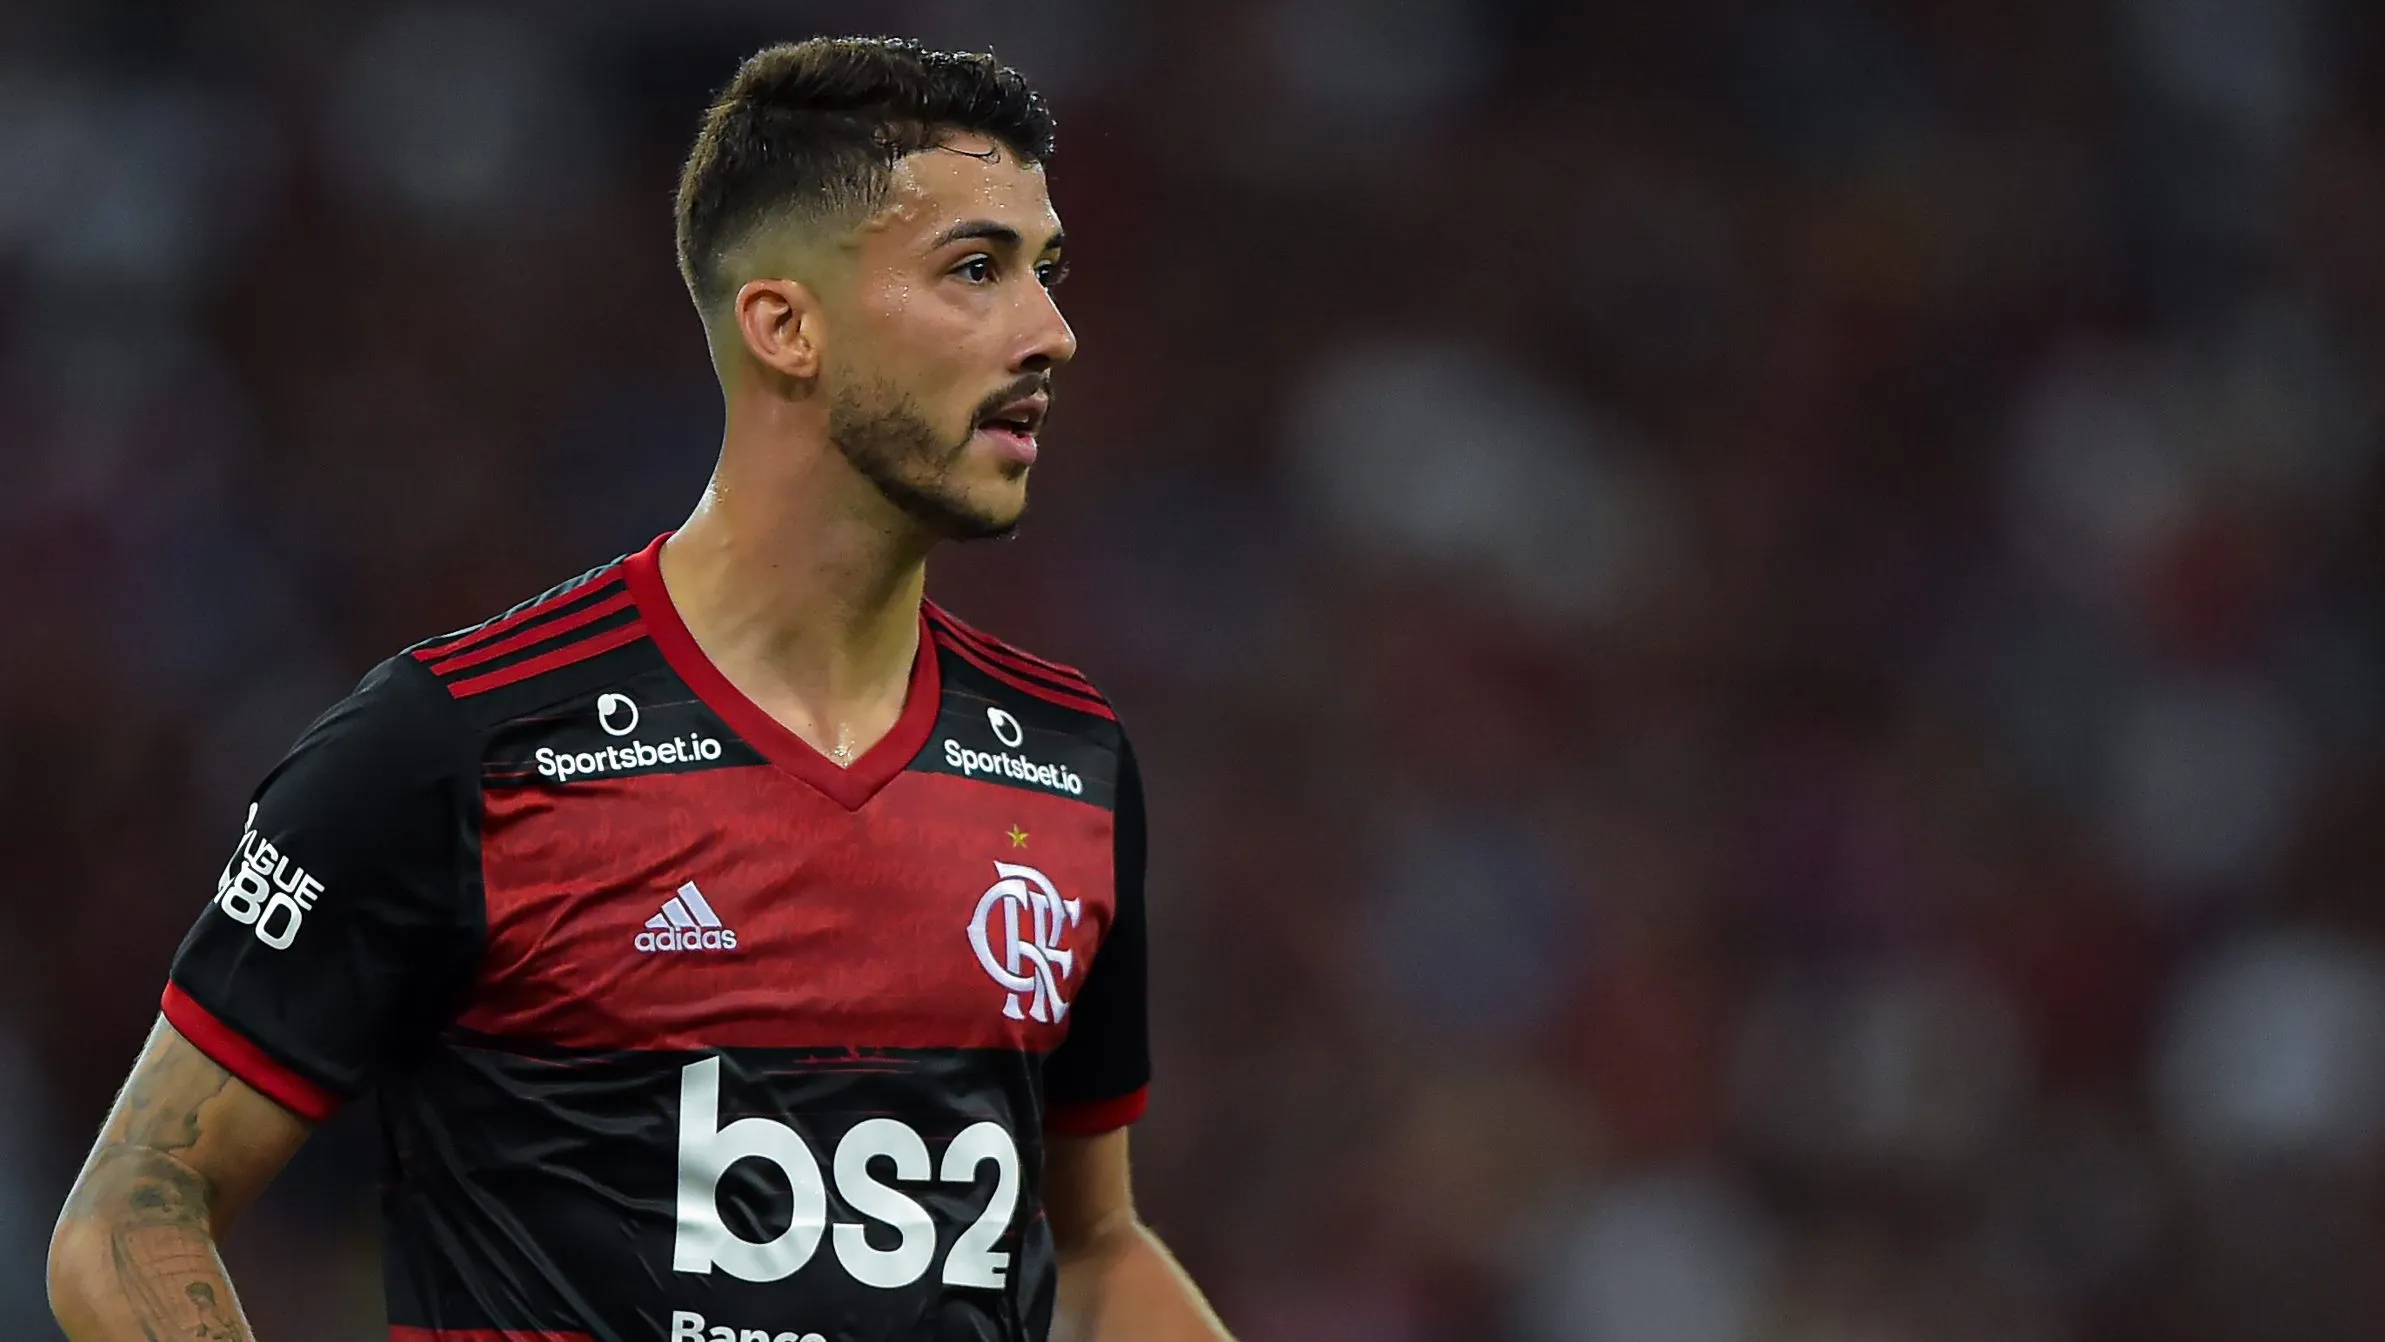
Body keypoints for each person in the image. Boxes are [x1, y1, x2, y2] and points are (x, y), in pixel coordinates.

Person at [48, 36, 1233, 1342]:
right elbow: (133, 1215)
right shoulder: (454, 745)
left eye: (1044, 274)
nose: (1051, 332)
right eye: (976, 271)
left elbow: (1095, 1250)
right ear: (786, 325)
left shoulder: (1067, 764)